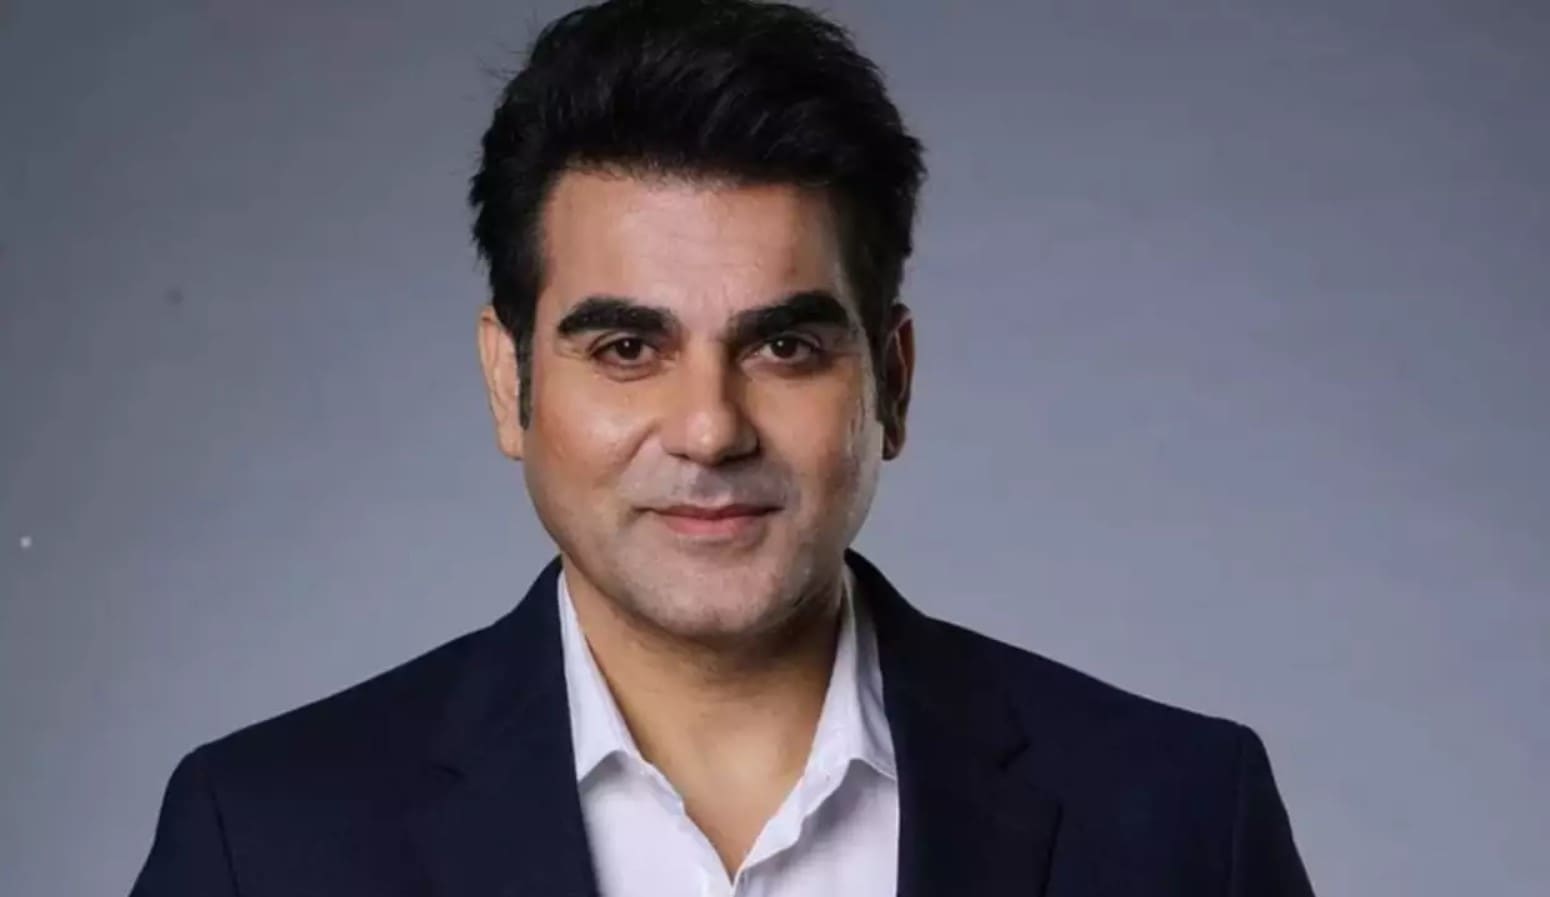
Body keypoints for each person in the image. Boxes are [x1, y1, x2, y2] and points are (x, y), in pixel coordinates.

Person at [129, 1, 1316, 894]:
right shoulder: (265, 841)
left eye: (784, 346)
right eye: (626, 349)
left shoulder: (1178, 821)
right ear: (510, 380)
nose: (709, 428)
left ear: (891, 383)